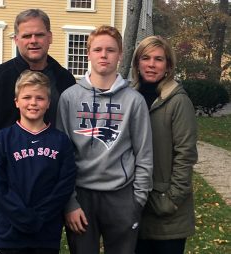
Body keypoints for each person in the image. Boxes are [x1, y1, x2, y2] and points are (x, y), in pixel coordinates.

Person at [0, 9, 76, 254]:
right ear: (16, 39)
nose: (33, 40)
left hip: (47, 195)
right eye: (26, 36)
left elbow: (73, 139)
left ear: (50, 37)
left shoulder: (65, 80)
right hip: (5, 193)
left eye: (39, 34)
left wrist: (68, 199)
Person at [56, 25, 153, 254]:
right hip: (81, 195)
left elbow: (144, 153)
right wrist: (69, 202)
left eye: (110, 50)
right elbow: (62, 155)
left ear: (120, 54)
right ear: (88, 53)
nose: (103, 55)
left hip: (121, 195)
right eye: (97, 49)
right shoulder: (69, 98)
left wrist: (137, 200)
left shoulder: (134, 101)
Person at [0, 70, 76, 254]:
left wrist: (39, 217)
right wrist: (22, 217)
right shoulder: (2, 139)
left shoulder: (61, 141)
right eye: (27, 97)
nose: (33, 103)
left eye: (40, 98)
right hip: (9, 233)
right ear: (16, 101)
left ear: (49, 103)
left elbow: (64, 185)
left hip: (45, 234)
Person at [132, 36, 198, 254]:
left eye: (158, 59)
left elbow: (185, 154)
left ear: (168, 65)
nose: (151, 64)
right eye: (146, 58)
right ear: (137, 63)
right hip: (134, 206)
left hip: (167, 213)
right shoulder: (129, 98)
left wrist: (171, 200)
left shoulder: (178, 101)